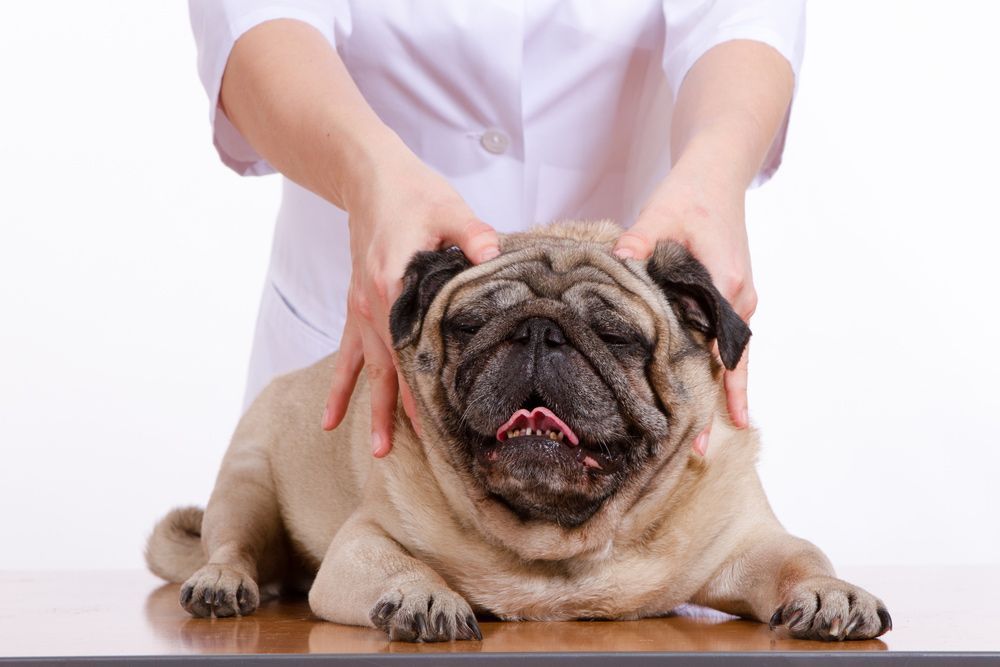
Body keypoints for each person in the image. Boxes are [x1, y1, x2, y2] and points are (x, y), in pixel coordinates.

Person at [190, 1, 805, 458]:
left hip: (632, 407)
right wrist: (365, 174)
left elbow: (741, 21)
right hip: (365, 330)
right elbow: (253, 25)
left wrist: (715, 171)